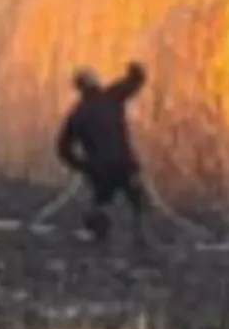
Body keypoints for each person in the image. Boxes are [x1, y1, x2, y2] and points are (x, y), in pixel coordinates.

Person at [55, 62, 154, 253]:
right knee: (138, 201)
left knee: (102, 202)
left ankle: (100, 233)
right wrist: (135, 70)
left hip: (100, 170)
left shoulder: (77, 114)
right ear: (95, 82)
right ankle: (141, 238)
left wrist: (82, 166)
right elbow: (135, 82)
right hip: (124, 164)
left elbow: (62, 148)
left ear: (79, 88)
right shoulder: (112, 96)